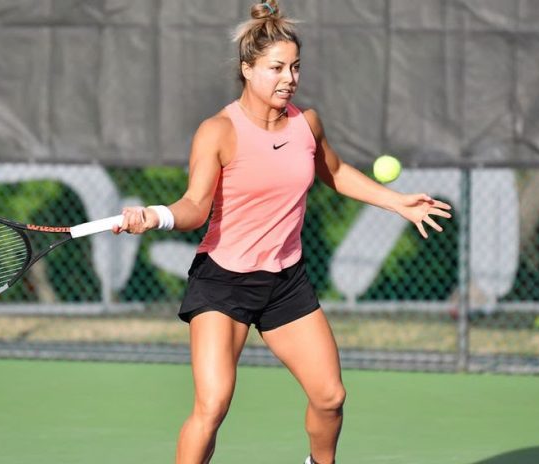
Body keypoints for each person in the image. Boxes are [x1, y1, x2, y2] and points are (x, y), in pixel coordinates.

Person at [113, 1, 452, 462]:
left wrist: (397, 202)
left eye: (295, 67)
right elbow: (195, 206)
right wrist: (156, 215)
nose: (288, 78)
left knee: (330, 397)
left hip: (284, 281)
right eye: (276, 68)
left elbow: (333, 171)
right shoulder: (217, 131)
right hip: (223, 282)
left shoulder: (305, 123)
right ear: (247, 69)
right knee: (212, 406)